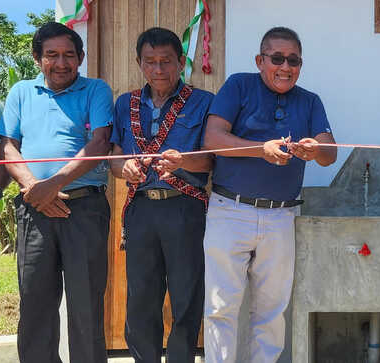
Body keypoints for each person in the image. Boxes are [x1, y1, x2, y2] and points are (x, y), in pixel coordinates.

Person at [202, 26, 337, 362]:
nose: (285, 66)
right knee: (220, 307)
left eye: (294, 60)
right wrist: (260, 150)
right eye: (277, 58)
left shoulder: (309, 101)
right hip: (229, 210)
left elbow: (330, 152)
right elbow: (213, 140)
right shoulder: (238, 85)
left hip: (280, 216)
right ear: (260, 60)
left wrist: (314, 149)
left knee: (272, 312)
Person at [0, 22, 113, 363]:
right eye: (52, 55)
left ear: (81, 58)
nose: (61, 63)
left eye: (69, 55)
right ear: (37, 58)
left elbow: (100, 143)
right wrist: (35, 190)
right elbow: (8, 148)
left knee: (86, 306)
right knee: (35, 305)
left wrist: (52, 185)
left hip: (85, 209)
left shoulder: (96, 90)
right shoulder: (20, 92)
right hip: (33, 211)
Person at [109, 27, 213, 363]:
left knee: (186, 294)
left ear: (181, 62)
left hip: (185, 209)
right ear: (139, 63)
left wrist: (184, 162)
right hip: (141, 211)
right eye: (150, 62)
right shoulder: (125, 104)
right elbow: (112, 155)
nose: (158, 69)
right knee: (141, 297)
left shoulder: (203, 102)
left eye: (166, 61)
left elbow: (213, 158)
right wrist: (122, 167)